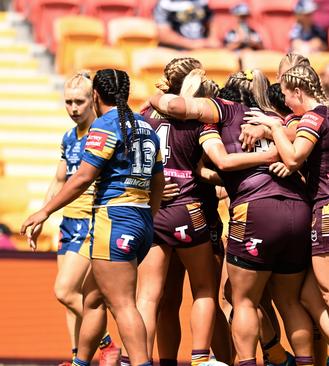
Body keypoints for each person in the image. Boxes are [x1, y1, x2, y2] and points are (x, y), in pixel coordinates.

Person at [150, 69, 316, 366]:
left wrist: (156, 96)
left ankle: (252, 360)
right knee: (290, 301)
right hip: (300, 208)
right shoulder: (277, 118)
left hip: (255, 209)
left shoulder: (222, 111)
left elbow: (221, 158)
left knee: (239, 299)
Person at [22, 69, 165, 366]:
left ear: (96, 95)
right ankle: (81, 362)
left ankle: (140, 362)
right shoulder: (146, 128)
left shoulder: (104, 127)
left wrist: (45, 210)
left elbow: (83, 177)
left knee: (123, 305)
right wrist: (147, 218)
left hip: (113, 220)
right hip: (140, 220)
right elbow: (158, 181)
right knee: (92, 299)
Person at [245, 64, 329, 366]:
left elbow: (294, 156)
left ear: (299, 91)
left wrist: (272, 128)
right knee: (312, 295)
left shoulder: (313, 116)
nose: (286, 103)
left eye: (287, 96)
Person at [135, 57, 228, 366]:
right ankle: (202, 359)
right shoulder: (200, 116)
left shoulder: (145, 114)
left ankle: (143, 360)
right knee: (204, 291)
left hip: (155, 211)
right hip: (193, 210)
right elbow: (217, 163)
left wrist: (152, 190)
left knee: (153, 298)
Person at [29, 71, 120, 366]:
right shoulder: (69, 137)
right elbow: (59, 179)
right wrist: (43, 214)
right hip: (68, 222)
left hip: (92, 222)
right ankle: (77, 358)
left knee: (65, 291)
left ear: (93, 99)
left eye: (79, 102)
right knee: (72, 301)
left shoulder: (102, 133)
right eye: (68, 102)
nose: (73, 108)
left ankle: (108, 345)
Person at [153, 0, 219, 50]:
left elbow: (210, 21)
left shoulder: (201, 2)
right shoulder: (165, 4)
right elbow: (164, 35)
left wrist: (212, 39)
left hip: (201, 49)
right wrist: (191, 44)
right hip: (174, 50)